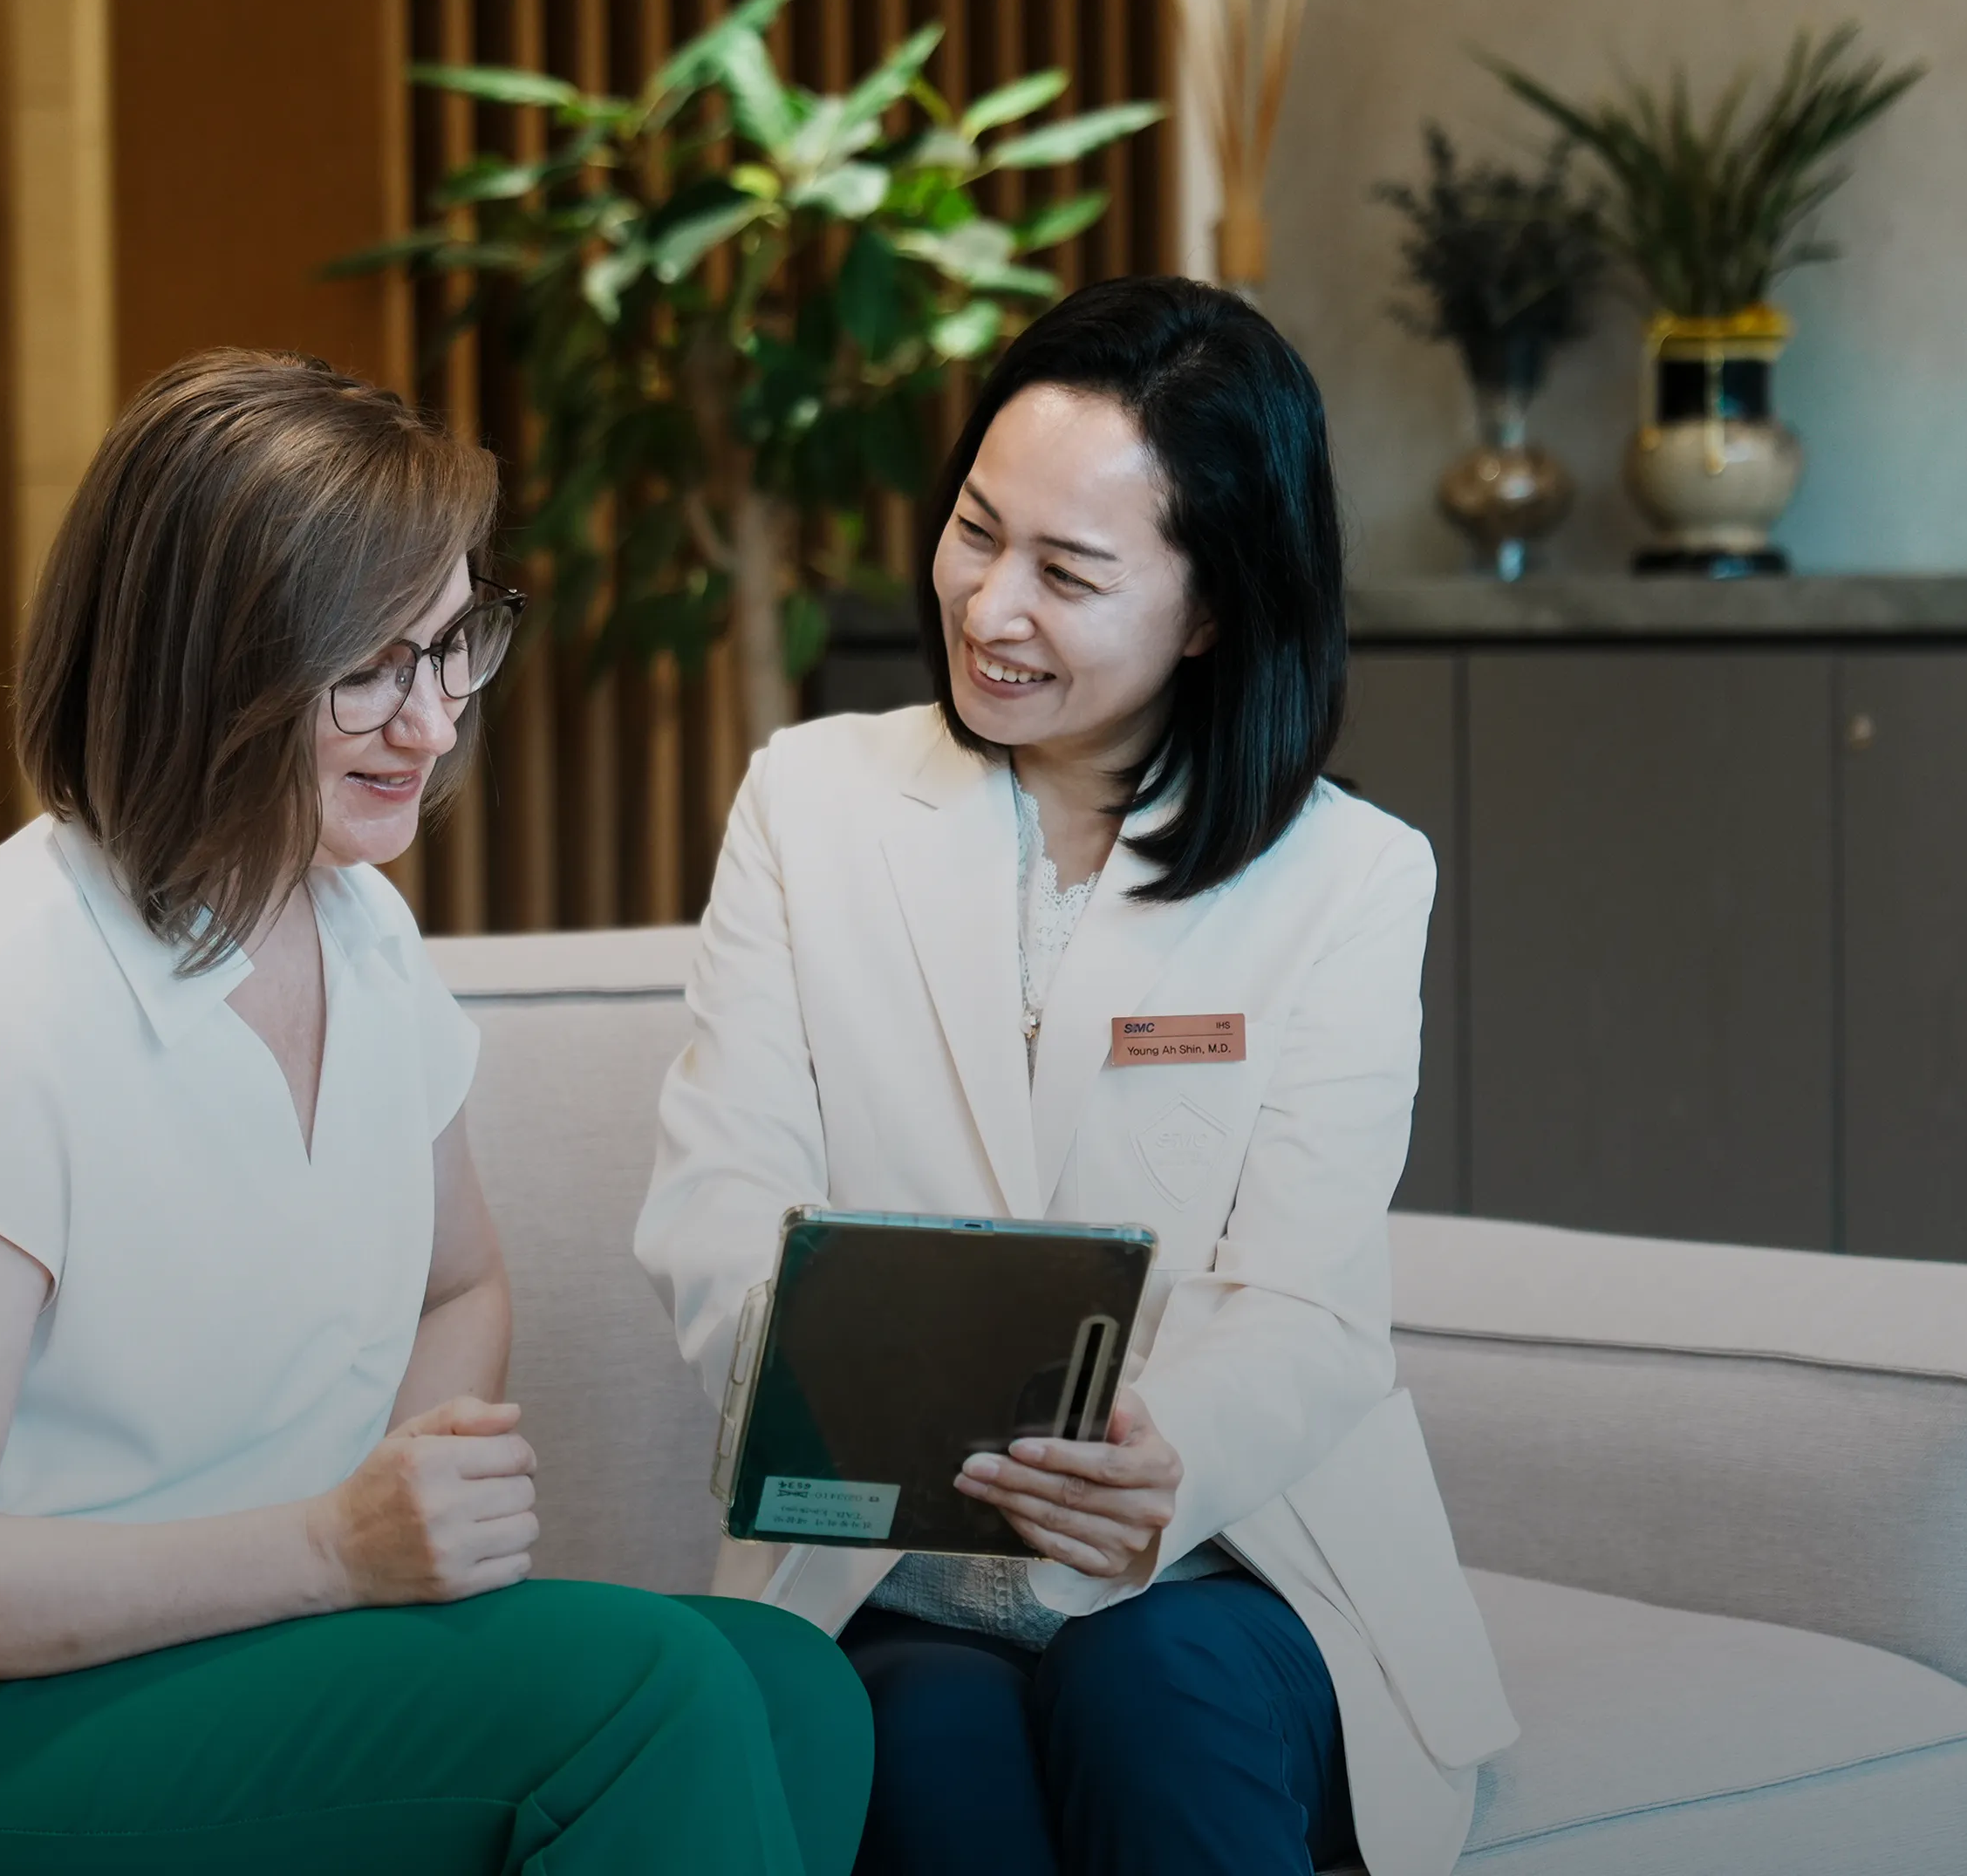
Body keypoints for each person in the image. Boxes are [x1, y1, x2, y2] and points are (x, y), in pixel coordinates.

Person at [0, 350, 868, 1876]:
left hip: (219, 1636)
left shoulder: (360, 936)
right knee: (657, 1694)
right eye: (369, 671)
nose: (434, 726)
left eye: (455, 649)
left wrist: (391, 1522)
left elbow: (462, 1280)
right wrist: (333, 1549)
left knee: (797, 1691)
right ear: (207, 672)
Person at [632, 278, 1520, 1876]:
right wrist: (830, 1393)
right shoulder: (812, 801)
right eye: (977, 532)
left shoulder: (1350, 879)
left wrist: (1164, 1459)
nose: (990, 608)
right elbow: (716, 1199)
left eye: (1069, 572)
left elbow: (1311, 1298)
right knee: (930, 1738)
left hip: (1229, 1562)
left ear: (1213, 605)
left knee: (1150, 1683)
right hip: (886, 1573)